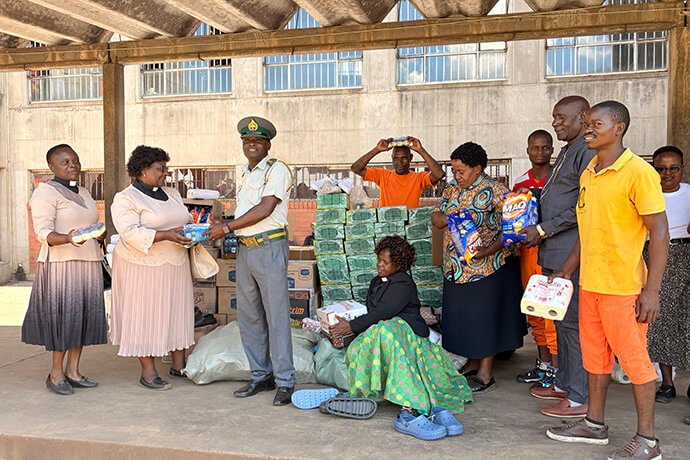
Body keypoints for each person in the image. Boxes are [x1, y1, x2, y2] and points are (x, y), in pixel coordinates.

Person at [545, 101, 669, 460]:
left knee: (635, 362)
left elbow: (659, 233)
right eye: (587, 124)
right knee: (595, 360)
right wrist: (568, 269)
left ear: (619, 128)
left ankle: (648, 441)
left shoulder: (638, 173)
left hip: (624, 289)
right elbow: (587, 229)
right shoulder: (590, 174)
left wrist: (652, 291)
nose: (588, 128)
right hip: (591, 286)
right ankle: (594, 424)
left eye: (596, 123)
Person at [328, 236, 473, 440]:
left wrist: (350, 327)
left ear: (398, 264)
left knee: (388, 328)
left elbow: (384, 312)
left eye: (385, 262)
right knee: (376, 335)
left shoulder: (404, 283)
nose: (379, 265)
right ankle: (409, 405)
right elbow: (373, 313)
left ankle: (413, 408)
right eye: (378, 260)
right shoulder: (376, 282)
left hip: (405, 333)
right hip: (386, 334)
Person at [205, 116, 296, 406]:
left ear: (267, 144)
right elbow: (248, 212)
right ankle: (260, 375)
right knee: (250, 316)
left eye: (257, 140)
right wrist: (225, 221)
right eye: (247, 140)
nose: (251, 144)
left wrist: (227, 227)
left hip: (269, 247)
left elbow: (266, 208)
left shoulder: (277, 169)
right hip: (246, 248)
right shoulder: (245, 172)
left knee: (277, 317)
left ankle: (284, 381)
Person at [518, 96, 595, 418]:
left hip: (570, 254)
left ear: (583, 117)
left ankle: (578, 398)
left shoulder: (587, 151)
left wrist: (544, 229)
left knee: (573, 326)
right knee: (561, 323)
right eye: (554, 117)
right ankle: (564, 382)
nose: (556, 124)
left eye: (562, 118)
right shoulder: (569, 150)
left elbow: (583, 206)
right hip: (554, 251)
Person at [431, 142, 525, 394]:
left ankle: (486, 373)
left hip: (487, 267)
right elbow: (436, 217)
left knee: (484, 320)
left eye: (461, 171)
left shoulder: (496, 191)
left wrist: (488, 250)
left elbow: (514, 229)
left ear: (478, 168)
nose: (457, 176)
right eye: (454, 171)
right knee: (464, 320)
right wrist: (446, 218)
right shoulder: (451, 190)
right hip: (456, 267)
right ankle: (472, 365)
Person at [22, 144, 108, 395]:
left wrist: (97, 235)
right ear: (51, 166)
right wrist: (70, 238)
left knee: (83, 319)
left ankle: (74, 371)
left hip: (89, 262)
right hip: (62, 265)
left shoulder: (83, 191)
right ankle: (56, 373)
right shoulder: (44, 193)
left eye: (75, 160)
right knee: (64, 320)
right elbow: (43, 233)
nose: (72, 165)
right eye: (65, 162)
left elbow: (88, 223)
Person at [110, 145, 195, 391]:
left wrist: (194, 230)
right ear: (143, 170)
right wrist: (166, 234)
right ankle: (148, 372)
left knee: (177, 312)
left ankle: (179, 366)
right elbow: (128, 233)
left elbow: (185, 219)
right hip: (142, 266)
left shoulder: (172, 193)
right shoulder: (126, 198)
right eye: (160, 169)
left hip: (176, 262)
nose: (165, 173)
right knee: (145, 316)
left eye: (165, 168)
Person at [644, 146, 690, 406]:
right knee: (660, 321)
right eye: (661, 168)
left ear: (682, 168)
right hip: (653, 257)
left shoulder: (689, 193)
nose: (667, 173)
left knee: (686, 322)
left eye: (674, 168)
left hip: (686, 255)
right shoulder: (646, 195)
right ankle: (667, 383)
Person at [513, 130, 558, 386]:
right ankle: (542, 365)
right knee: (534, 310)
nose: (540, 152)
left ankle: (556, 369)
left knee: (552, 312)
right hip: (528, 255)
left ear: (552, 150)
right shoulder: (520, 183)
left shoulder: (560, 180)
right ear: (528, 150)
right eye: (535, 148)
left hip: (554, 253)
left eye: (545, 148)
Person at [350, 137, 445, 209]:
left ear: (410, 158)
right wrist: (377, 149)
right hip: (386, 227)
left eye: (404, 158)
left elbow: (439, 174)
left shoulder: (419, 177)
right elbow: (356, 168)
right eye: (396, 158)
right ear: (392, 158)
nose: (399, 162)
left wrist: (421, 150)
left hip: (409, 228)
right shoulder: (382, 175)